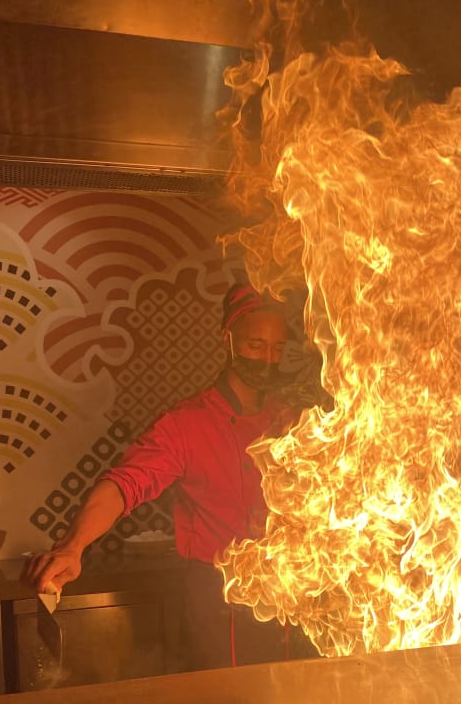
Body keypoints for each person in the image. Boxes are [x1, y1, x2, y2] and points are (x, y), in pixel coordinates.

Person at [22, 280, 302, 672]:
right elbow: (123, 485)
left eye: (277, 348)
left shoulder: (290, 419)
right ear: (228, 339)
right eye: (256, 345)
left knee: (291, 698)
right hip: (216, 598)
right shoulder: (186, 424)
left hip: (285, 589)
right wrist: (73, 545)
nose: (267, 359)